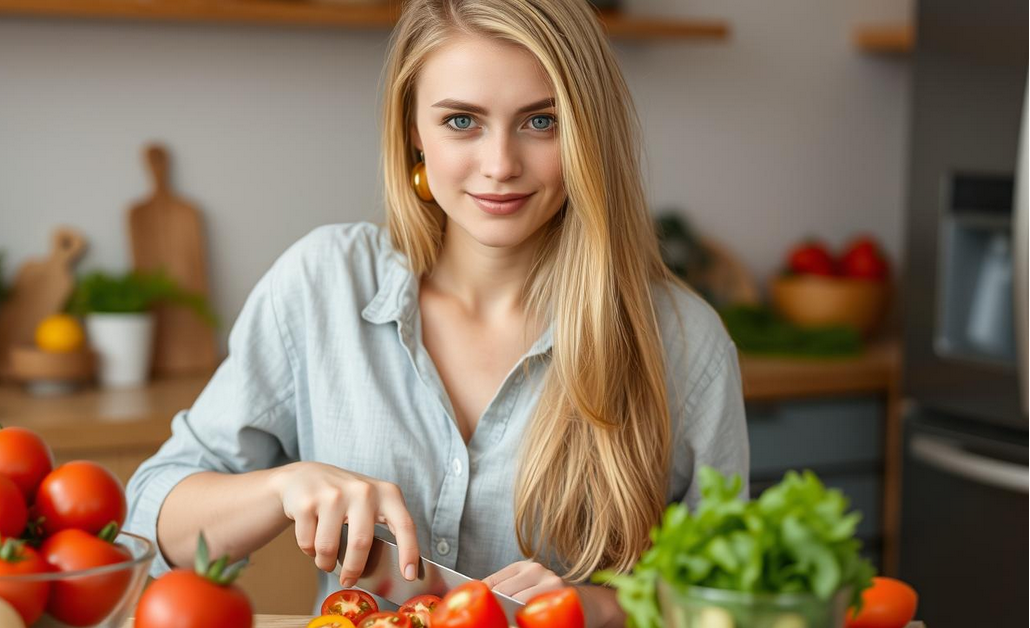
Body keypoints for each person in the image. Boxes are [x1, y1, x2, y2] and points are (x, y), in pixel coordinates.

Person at [124, 0, 748, 625]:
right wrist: (281, 486)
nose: (500, 165)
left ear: (588, 133)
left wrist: (601, 607)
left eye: (541, 122)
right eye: (461, 121)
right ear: (413, 130)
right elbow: (150, 516)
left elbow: (736, 601)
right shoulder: (322, 284)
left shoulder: (685, 343)